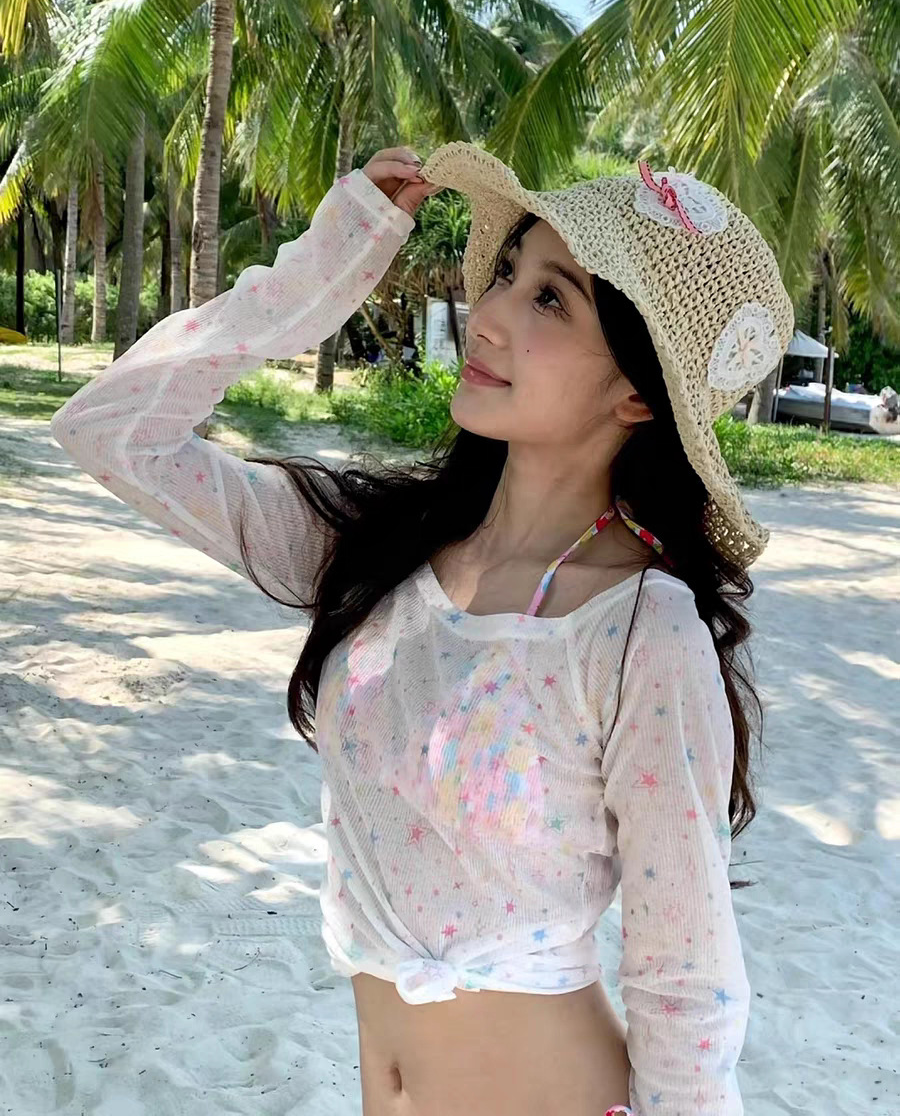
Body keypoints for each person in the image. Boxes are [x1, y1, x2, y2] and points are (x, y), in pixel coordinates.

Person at [50, 143, 794, 1116]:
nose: (486, 315)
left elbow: (686, 981)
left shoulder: (638, 633)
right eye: (506, 273)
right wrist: (323, 270)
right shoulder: (379, 557)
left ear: (639, 393)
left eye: (551, 300)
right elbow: (110, 433)